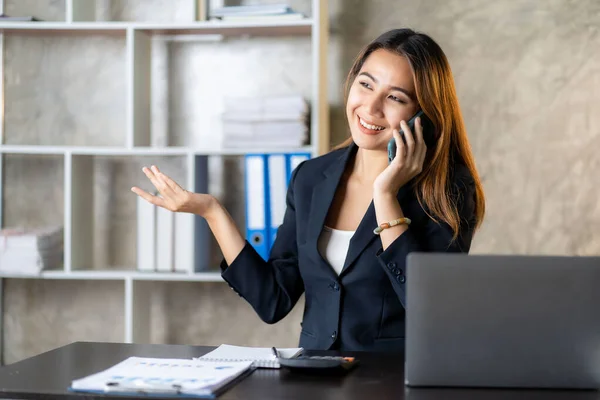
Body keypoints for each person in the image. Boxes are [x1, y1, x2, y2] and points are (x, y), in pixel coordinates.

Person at [131, 28, 485, 352]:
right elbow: (273, 301)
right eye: (365, 85)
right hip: (314, 379)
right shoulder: (311, 178)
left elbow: (431, 309)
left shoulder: (447, 191)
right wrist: (211, 211)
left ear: (422, 115)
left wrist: (386, 196)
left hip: (394, 380)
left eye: (395, 97)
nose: (371, 107)